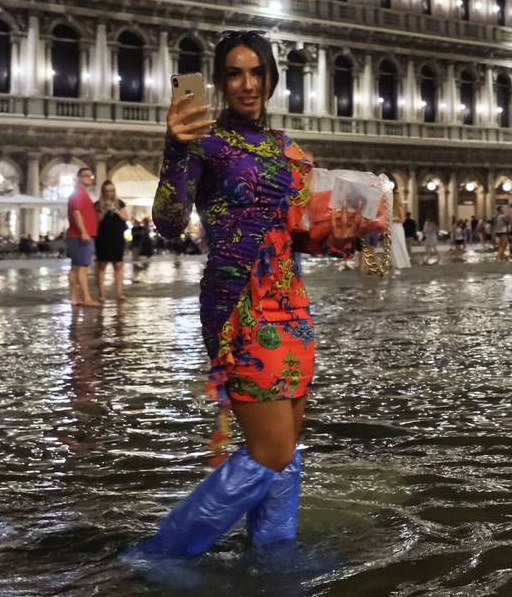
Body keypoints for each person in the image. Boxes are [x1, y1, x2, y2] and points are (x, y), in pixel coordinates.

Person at [128, 31, 362, 559]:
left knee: (284, 449)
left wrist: (346, 235)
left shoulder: (290, 151)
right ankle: (159, 555)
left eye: (257, 72)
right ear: (219, 81)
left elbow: (302, 233)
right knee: (269, 449)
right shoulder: (204, 143)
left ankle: (275, 556)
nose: (247, 84)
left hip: (293, 305)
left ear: (273, 79)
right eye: (235, 73)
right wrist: (174, 145)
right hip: (240, 304)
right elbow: (167, 224)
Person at [66, 166, 100, 307]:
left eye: (90, 176)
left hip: (77, 235)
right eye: (85, 175)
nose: (89, 178)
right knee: (82, 268)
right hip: (80, 236)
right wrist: (84, 232)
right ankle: (86, 298)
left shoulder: (80, 193)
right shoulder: (79, 193)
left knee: (75, 268)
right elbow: (77, 213)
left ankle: (74, 297)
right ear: (79, 178)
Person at [94, 180, 129, 301]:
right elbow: (96, 222)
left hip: (117, 237)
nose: (110, 193)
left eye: (112, 190)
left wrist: (117, 210)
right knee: (102, 265)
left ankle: (120, 293)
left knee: (118, 264)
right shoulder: (98, 205)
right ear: (103, 192)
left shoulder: (120, 203)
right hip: (103, 237)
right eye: (107, 191)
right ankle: (101, 294)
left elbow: (126, 217)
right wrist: (104, 210)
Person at [391, 192, 411, 270]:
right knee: (392, 246)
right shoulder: (390, 208)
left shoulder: (399, 208)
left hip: (397, 228)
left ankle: (402, 263)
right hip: (391, 228)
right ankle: (394, 263)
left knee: (399, 244)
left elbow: (403, 220)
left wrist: (393, 219)